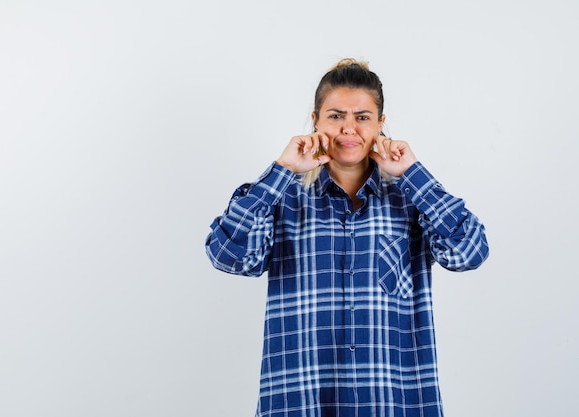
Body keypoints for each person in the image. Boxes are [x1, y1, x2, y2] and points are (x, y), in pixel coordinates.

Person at [205, 58, 489, 417]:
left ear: (381, 125)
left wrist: (413, 174)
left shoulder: (411, 199)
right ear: (315, 122)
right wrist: (281, 171)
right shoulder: (284, 198)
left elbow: (470, 251)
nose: (349, 129)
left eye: (363, 117)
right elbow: (226, 254)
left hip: (394, 403)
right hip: (301, 401)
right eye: (336, 116)